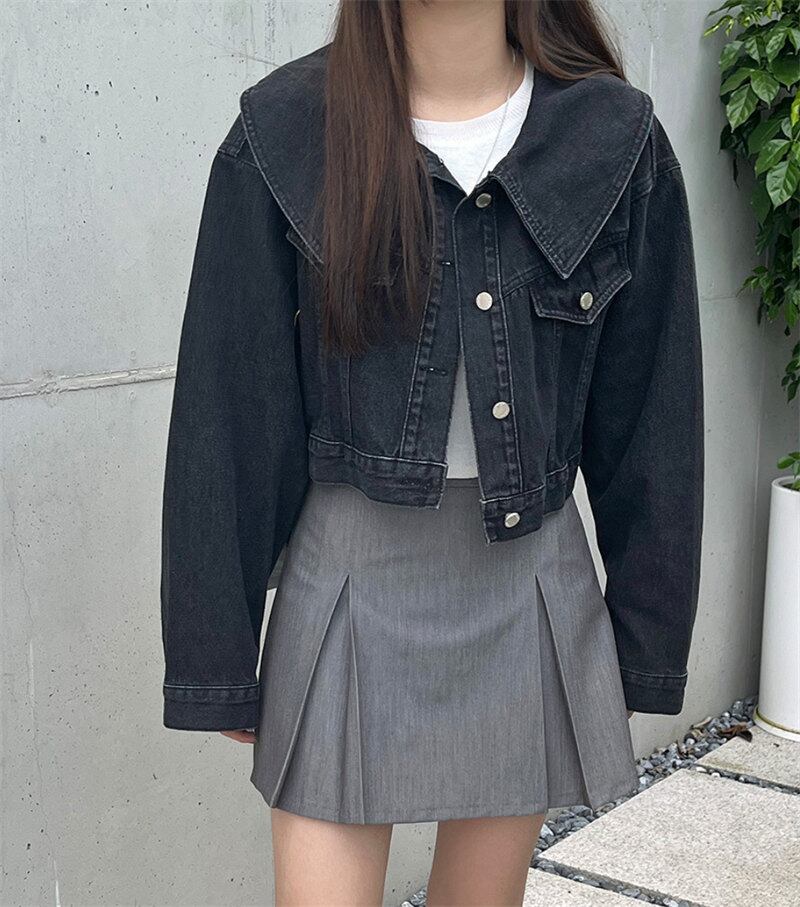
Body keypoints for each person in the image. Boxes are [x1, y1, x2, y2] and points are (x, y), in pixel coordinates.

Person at [159, 1, 705, 904]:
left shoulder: (613, 142)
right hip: (348, 587)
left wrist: (645, 638)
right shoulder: (284, 133)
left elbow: (654, 414)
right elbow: (228, 406)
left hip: (525, 587)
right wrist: (215, 655)